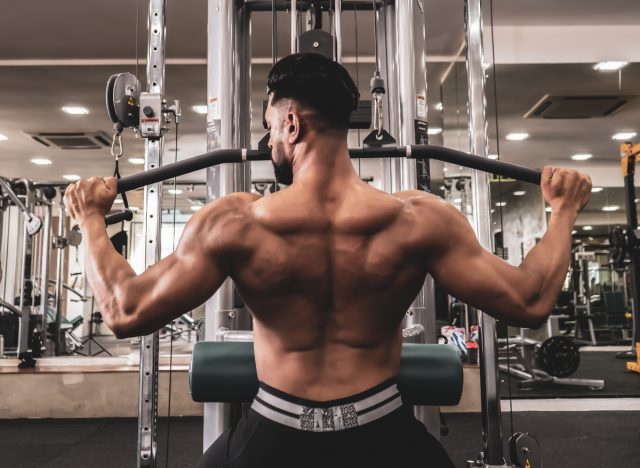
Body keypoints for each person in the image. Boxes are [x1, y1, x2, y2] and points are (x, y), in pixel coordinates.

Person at [64, 53, 592, 467]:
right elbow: (530, 299)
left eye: (271, 126)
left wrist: (90, 218)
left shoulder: (237, 222)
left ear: (292, 125)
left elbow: (125, 311)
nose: (269, 139)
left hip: (273, 438)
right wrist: (563, 211)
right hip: (386, 438)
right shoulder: (418, 219)